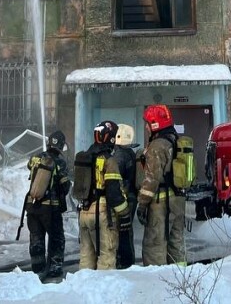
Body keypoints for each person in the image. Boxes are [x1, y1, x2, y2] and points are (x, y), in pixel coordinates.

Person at [136, 104, 186, 266]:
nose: (146, 127)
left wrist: (142, 205)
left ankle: (156, 284)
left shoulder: (157, 147)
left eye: (148, 123)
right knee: (176, 243)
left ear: (155, 124)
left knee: (154, 246)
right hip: (178, 200)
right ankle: (181, 281)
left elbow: (151, 179)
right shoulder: (175, 140)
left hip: (160, 204)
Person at [77, 120, 131, 270]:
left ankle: (84, 289)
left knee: (86, 256)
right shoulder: (109, 160)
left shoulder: (84, 157)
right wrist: (125, 213)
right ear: (111, 138)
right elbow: (114, 193)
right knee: (106, 255)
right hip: (101, 213)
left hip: (83, 212)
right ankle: (103, 291)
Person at [23, 130, 71, 280]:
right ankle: (54, 269)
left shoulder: (35, 158)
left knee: (36, 238)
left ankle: (37, 269)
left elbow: (29, 167)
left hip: (32, 206)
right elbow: (65, 186)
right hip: (50, 208)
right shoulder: (60, 162)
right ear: (61, 146)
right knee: (56, 238)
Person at [113, 123, 140, 269]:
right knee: (127, 231)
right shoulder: (130, 153)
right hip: (131, 197)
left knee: (122, 231)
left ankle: (124, 262)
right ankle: (128, 261)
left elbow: (114, 178)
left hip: (124, 199)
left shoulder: (119, 156)